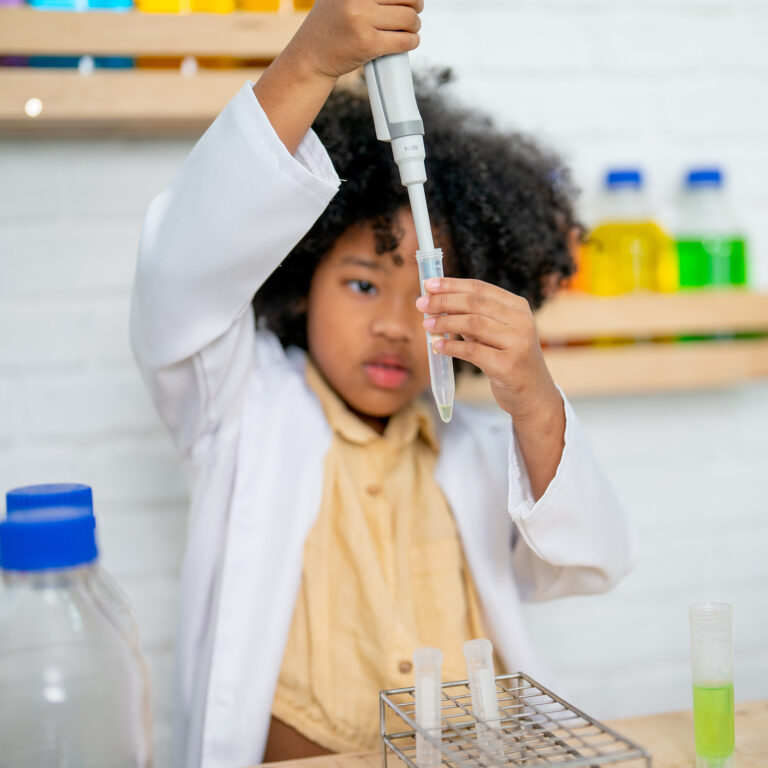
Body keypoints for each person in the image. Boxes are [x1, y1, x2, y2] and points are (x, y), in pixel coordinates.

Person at [130, 2, 634, 767]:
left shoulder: (474, 444)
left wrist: (532, 393)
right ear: (300, 280)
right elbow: (182, 274)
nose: (399, 325)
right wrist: (306, 64)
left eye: (427, 294)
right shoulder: (240, 411)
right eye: (365, 286)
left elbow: (582, 560)